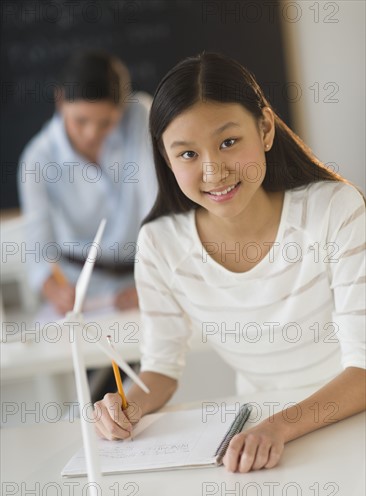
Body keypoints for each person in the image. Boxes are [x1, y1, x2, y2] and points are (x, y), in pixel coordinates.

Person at [93, 52, 366, 473]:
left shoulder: (334, 210)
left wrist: (276, 428)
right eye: (186, 154)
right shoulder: (160, 243)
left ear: (266, 129)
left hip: (346, 421)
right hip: (258, 436)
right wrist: (127, 406)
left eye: (228, 142)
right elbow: (160, 370)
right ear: (166, 159)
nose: (213, 171)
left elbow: (363, 369)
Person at [17, 50, 158, 314]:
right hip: (78, 288)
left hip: (143, 278)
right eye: (80, 121)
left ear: (123, 107)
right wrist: (54, 291)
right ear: (60, 101)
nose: (91, 134)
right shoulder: (37, 159)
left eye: (106, 123)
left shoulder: (139, 116)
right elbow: (38, 252)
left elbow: (158, 208)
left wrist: (154, 281)